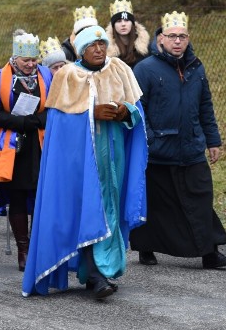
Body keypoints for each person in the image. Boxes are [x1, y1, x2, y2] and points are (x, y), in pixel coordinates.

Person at [22, 24, 147, 298]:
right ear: (81, 49)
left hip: (114, 156)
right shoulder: (68, 75)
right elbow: (58, 123)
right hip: (80, 162)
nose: (99, 49)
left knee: (110, 208)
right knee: (87, 208)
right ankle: (95, 274)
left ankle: (99, 272)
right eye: (93, 45)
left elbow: (137, 113)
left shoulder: (119, 70)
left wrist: (125, 114)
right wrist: (91, 114)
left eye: (103, 44)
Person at [130, 11, 226, 270]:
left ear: (188, 39)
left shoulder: (196, 67)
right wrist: (150, 140)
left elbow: (205, 106)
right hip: (158, 151)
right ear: (161, 39)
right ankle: (146, 246)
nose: (178, 41)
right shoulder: (145, 69)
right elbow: (137, 109)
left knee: (200, 198)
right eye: (172, 36)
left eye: (182, 36)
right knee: (157, 204)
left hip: (191, 148)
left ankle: (210, 253)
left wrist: (213, 141)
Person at [0, 32, 52, 272]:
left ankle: (38, 247)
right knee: (18, 196)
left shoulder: (46, 75)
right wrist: (22, 123)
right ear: (15, 57)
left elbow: (54, 106)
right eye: (26, 60)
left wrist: (36, 121)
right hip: (14, 144)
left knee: (40, 193)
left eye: (34, 59)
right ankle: (23, 250)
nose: (31, 64)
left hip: (40, 142)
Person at [105, 0, 150, 68]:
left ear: (132, 24)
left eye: (126, 20)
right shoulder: (107, 52)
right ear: (113, 26)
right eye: (119, 21)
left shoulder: (145, 48)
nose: (123, 24)